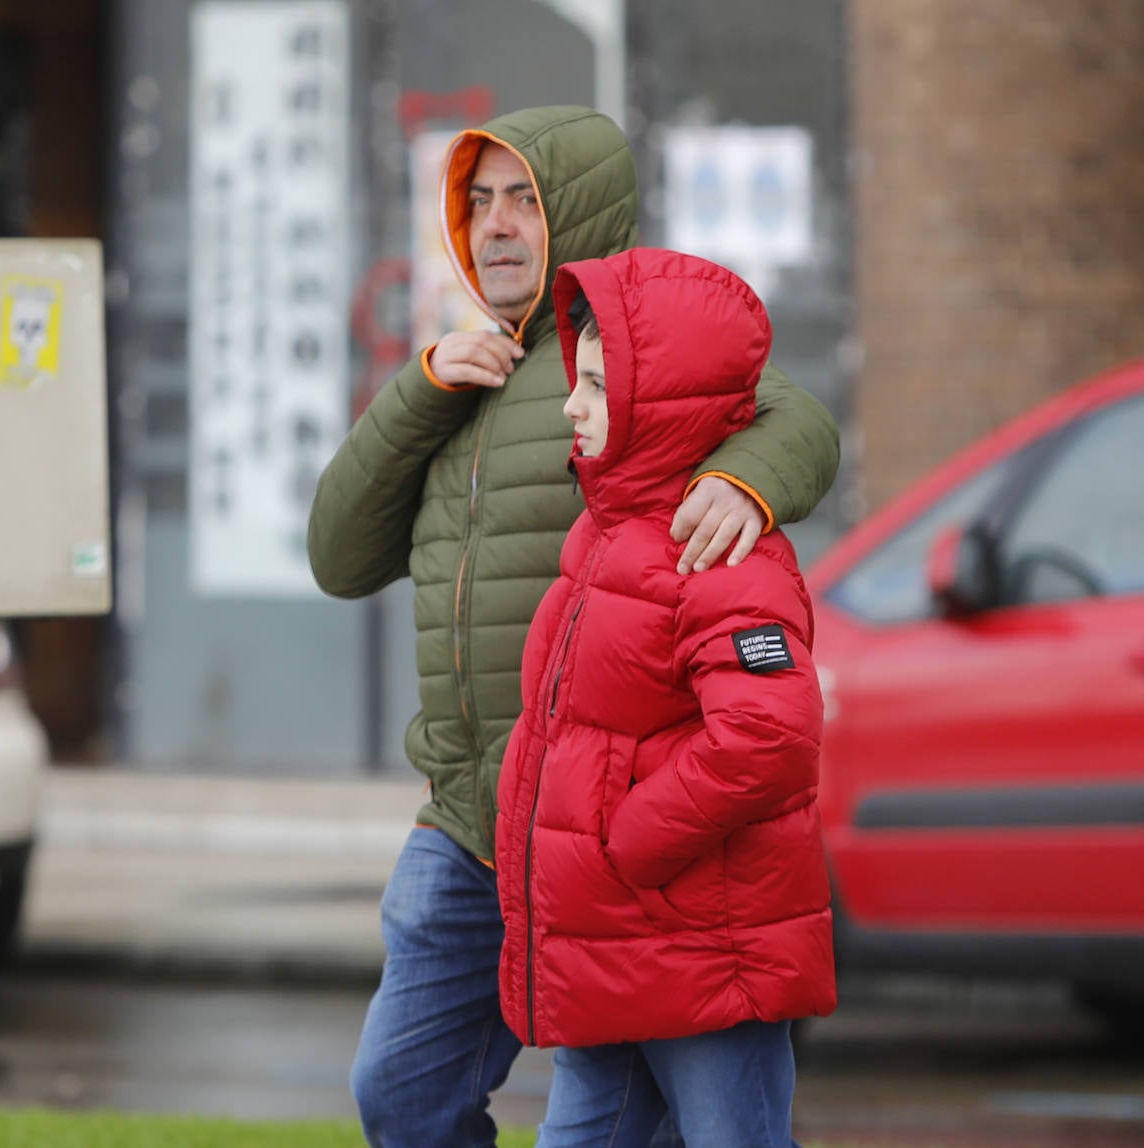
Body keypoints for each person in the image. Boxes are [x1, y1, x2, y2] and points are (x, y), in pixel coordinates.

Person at [308, 105, 839, 1148]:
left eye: (522, 198)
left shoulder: (631, 354)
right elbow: (339, 556)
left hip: (597, 819)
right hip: (469, 819)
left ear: (578, 208)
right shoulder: (456, 378)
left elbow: (796, 418)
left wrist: (741, 478)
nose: (494, 224)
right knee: (401, 1091)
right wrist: (415, 391)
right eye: (476, 200)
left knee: (641, 1113)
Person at [496, 248, 835, 1147]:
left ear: (660, 403)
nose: (572, 405)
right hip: (612, 941)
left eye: (599, 386)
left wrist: (629, 845)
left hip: (700, 950)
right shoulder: (604, 535)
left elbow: (769, 736)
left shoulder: (719, 551)